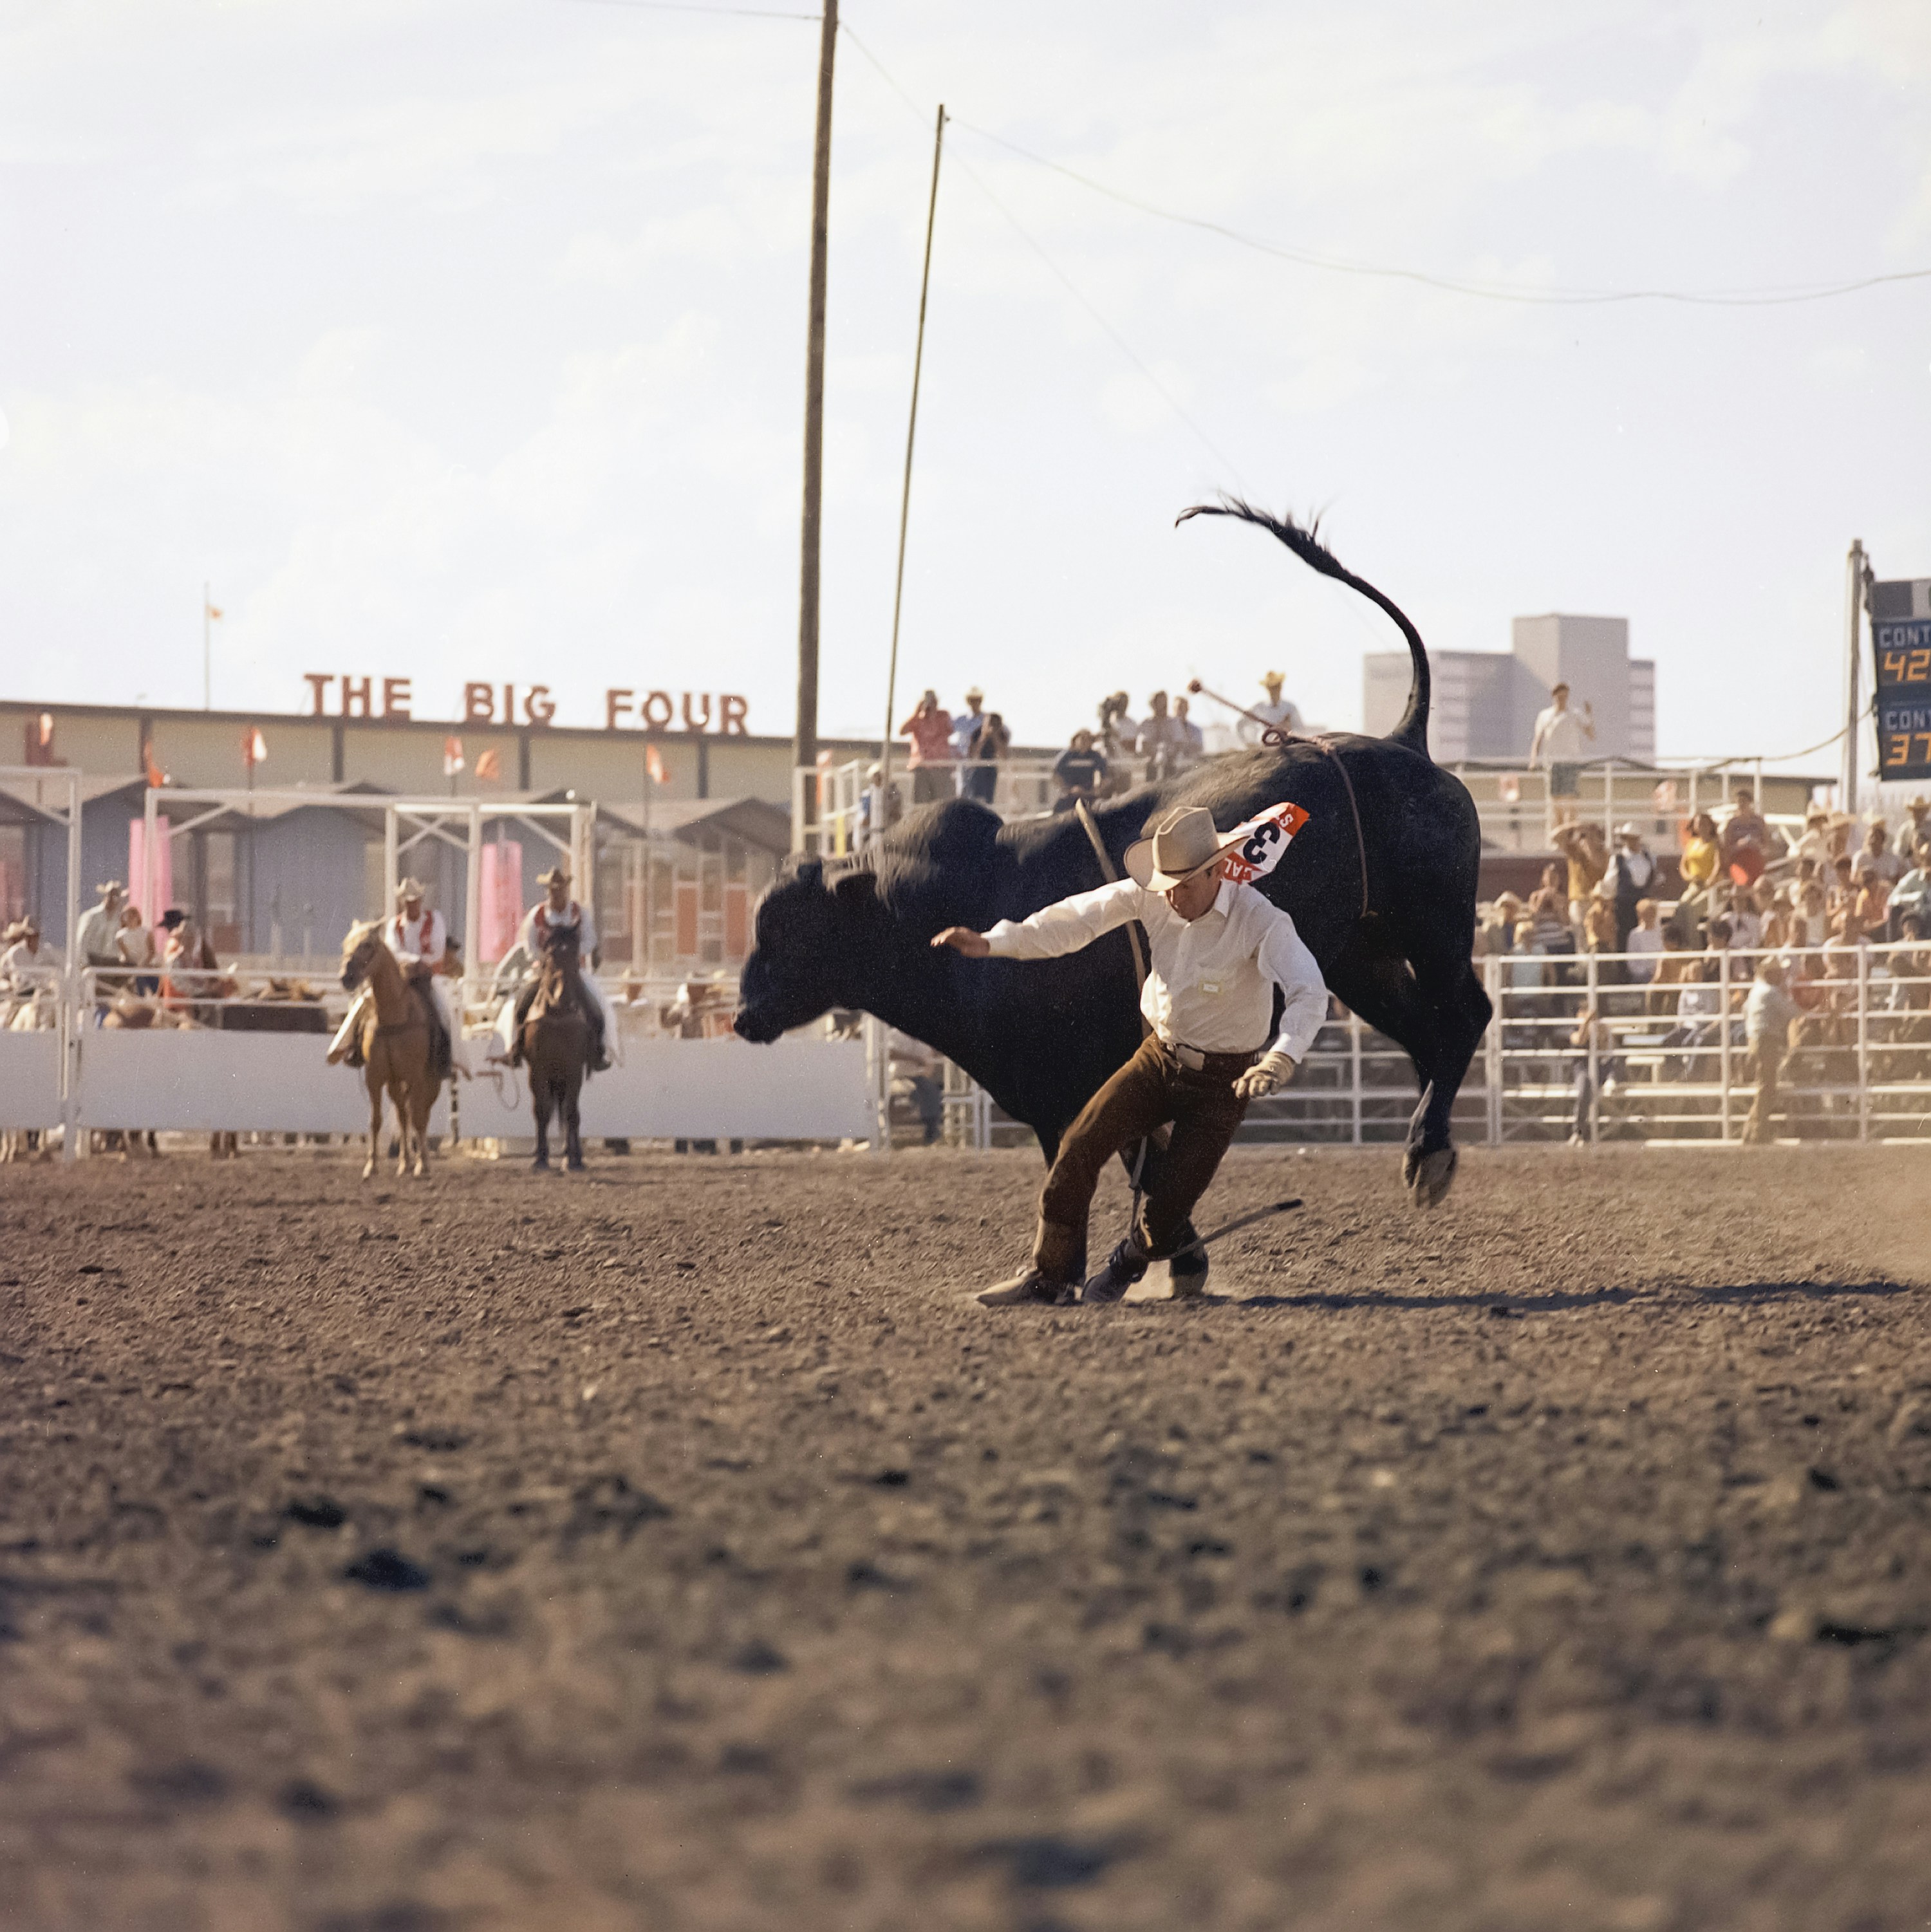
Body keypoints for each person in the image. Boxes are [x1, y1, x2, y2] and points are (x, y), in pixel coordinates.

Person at [931, 804, 1328, 1308]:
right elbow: (1077, 918)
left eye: (1184, 885)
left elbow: (1308, 991)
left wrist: (1281, 1056)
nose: (1172, 896)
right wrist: (994, 941)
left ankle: (1130, 1260)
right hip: (1158, 1059)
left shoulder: (1262, 922)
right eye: (1167, 884)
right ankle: (1048, 1277)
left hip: (1223, 1083)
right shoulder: (1157, 895)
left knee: (1167, 1211)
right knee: (1078, 1146)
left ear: (1217, 871)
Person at [499, 864, 614, 1071]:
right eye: (552, 889)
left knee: (597, 1006)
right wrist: (543, 958)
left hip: (574, 970)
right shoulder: (538, 914)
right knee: (519, 1004)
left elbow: (590, 941)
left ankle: (598, 1051)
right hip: (545, 971)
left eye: (560, 889)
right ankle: (515, 1049)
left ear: (566, 890)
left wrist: (570, 955)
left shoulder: (580, 913)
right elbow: (530, 945)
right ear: (548, 891)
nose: (556, 893)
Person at [1742, 958, 1801, 1144]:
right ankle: (1758, 1132)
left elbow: (1745, 1010)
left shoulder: (1756, 991)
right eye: (1777, 972)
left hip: (1756, 1038)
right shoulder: (1771, 993)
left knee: (1764, 1086)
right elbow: (1792, 1012)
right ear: (1769, 974)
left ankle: (1751, 1131)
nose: (1782, 976)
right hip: (1767, 1039)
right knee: (1766, 1087)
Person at [1527, 682, 1595, 799]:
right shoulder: (1545, 715)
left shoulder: (1575, 714)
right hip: (1552, 762)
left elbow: (1591, 735)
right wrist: (1533, 760)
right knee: (1555, 797)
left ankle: (1570, 817)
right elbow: (1538, 739)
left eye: (1564, 697)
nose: (1562, 700)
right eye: (1559, 697)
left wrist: (1589, 715)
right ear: (1554, 696)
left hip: (1571, 761)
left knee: (1570, 796)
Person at [898, 691, 955, 807]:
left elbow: (950, 730)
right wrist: (917, 711)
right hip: (922, 767)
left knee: (942, 805)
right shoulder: (917, 719)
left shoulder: (943, 716)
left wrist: (933, 715)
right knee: (922, 804)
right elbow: (902, 731)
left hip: (940, 766)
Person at [1607, 824, 1656, 952]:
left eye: (1635, 838)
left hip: (1643, 903)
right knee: (1625, 937)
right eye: (1629, 838)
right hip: (1625, 904)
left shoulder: (1648, 857)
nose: (1633, 841)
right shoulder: (1618, 859)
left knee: (1644, 937)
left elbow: (1654, 878)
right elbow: (1610, 882)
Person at [1551, 820, 1608, 932]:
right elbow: (1554, 837)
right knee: (1581, 939)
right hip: (1578, 901)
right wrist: (1574, 826)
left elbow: (1598, 864)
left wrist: (1589, 846)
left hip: (1596, 901)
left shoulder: (1604, 854)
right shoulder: (1574, 852)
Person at [75, 880, 127, 996]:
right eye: (111, 895)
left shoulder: (119, 919)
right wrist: (84, 964)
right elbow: (81, 942)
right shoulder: (91, 916)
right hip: (93, 961)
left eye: (117, 896)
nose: (114, 900)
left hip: (111, 964)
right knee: (92, 998)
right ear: (106, 896)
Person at [1721, 786, 1775, 884]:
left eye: (1744, 801)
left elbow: (1766, 843)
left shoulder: (1758, 821)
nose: (1741, 804)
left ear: (1749, 802)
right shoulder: (1732, 823)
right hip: (1738, 859)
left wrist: (1758, 846)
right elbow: (1727, 846)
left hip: (1755, 859)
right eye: (1739, 801)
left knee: (1755, 885)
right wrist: (1739, 844)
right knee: (1742, 884)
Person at [1240, 671, 1303, 746]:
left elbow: (1301, 729)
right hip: (1263, 748)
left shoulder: (1290, 708)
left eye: (1277, 686)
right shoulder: (1259, 707)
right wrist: (1247, 743)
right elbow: (1239, 724)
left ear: (1281, 687)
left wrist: (1288, 729)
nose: (1275, 690)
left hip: (1286, 746)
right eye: (1271, 687)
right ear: (1267, 689)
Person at [1052, 729, 1109, 812]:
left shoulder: (1095, 756)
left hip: (1088, 794)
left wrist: (1095, 790)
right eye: (1082, 739)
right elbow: (1055, 776)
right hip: (1069, 795)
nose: (1085, 742)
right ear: (1075, 740)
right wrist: (1069, 789)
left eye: (1088, 739)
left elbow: (1104, 775)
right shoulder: (1066, 756)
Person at [962, 710, 1009, 807]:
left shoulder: (1002, 735)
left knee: (989, 799)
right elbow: (973, 755)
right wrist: (983, 737)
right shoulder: (976, 733)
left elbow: (1004, 756)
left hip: (991, 768)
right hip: (976, 769)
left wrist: (995, 738)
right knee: (975, 798)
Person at [1135, 691, 1182, 783]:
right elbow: (1144, 744)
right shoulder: (1146, 723)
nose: (1164, 706)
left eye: (1165, 702)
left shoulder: (1174, 722)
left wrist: (1167, 752)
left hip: (1171, 762)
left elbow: (1179, 743)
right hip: (1152, 763)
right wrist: (1158, 752)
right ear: (1153, 705)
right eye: (1160, 702)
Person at [116, 903, 158, 996]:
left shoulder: (147, 932)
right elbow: (126, 955)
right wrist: (134, 968)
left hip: (148, 967)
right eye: (128, 916)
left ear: (138, 917)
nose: (131, 918)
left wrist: (143, 965)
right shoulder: (120, 936)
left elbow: (152, 952)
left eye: (133, 915)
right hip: (131, 968)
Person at [1625, 898, 1663, 985]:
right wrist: (1644, 972)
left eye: (1652, 914)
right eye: (1646, 914)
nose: (1650, 917)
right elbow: (1632, 961)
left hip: (1660, 973)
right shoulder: (1635, 935)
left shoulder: (1661, 933)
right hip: (1642, 975)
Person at [951, 687, 987, 775]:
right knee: (963, 787)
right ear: (968, 701)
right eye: (972, 700)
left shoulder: (987, 719)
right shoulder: (961, 720)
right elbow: (946, 732)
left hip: (981, 761)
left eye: (977, 700)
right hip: (964, 760)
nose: (975, 703)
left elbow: (1005, 731)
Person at [1860, 820, 1906, 886]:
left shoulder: (1891, 859)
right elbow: (1855, 880)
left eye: (1877, 838)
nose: (1873, 841)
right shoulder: (1861, 857)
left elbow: (1893, 882)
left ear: (1883, 841)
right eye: (1871, 837)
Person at [1171, 695, 1205, 769]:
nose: (1181, 711)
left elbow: (1198, 748)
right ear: (1174, 709)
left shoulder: (1196, 730)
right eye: (1179, 708)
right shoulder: (1167, 728)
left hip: (1190, 764)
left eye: (1184, 708)